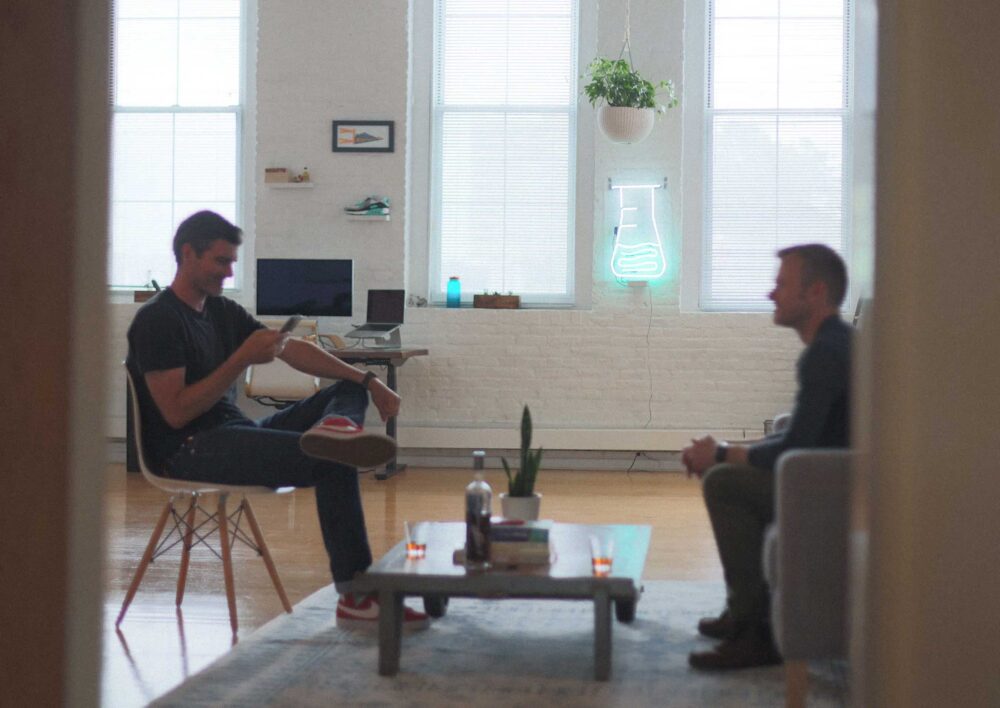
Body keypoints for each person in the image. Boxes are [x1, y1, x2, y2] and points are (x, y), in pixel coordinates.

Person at [126, 210, 428, 630]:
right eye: (221, 261)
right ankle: (357, 596)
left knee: (349, 388)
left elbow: (291, 349)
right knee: (334, 459)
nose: (229, 272)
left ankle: (337, 428)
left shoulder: (221, 311)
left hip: (235, 433)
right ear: (188, 253)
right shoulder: (158, 320)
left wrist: (368, 379)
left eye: (232, 262)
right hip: (188, 450)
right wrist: (239, 360)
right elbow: (176, 413)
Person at [683, 243, 852, 670]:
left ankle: (753, 631)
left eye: (781, 284)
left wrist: (721, 454)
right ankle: (745, 611)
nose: (770, 294)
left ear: (815, 292)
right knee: (727, 472)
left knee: (724, 483)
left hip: (835, 491)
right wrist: (725, 451)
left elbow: (793, 449)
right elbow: (798, 437)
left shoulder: (826, 354)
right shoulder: (835, 344)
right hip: (829, 477)